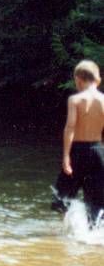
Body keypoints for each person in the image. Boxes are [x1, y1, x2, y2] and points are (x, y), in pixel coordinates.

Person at [51, 60, 104, 227]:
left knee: (62, 198)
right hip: (98, 151)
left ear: (78, 79)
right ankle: (94, 236)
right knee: (97, 203)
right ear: (98, 80)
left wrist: (66, 156)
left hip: (77, 152)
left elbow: (70, 127)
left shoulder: (75, 99)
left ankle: (65, 232)